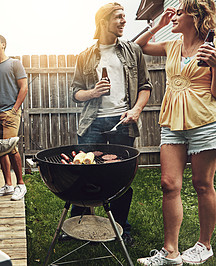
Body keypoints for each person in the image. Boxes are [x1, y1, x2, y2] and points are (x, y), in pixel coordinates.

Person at [135, 0, 216, 264]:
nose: (173, 16)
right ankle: (171, 252)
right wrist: (156, 25)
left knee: (203, 185)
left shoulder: (211, 48)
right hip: (172, 122)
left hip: (204, 121)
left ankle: (204, 245)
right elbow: (138, 47)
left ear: (194, 17)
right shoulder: (171, 46)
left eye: (179, 13)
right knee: (169, 184)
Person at [68, 2, 152, 244]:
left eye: (124, 16)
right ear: (103, 22)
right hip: (92, 122)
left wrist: (135, 110)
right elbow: (75, 93)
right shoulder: (85, 56)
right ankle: (77, 224)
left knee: (120, 176)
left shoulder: (133, 51)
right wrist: (92, 92)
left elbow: (145, 86)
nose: (124, 21)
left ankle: (119, 228)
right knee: (83, 172)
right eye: (118, 17)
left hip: (122, 121)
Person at [0, 34, 28, 201]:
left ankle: (21, 185)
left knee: (10, 148)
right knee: (0, 150)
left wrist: (15, 109)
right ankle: (8, 185)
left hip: (10, 111)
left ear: (3, 44)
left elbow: (23, 87)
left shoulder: (14, 64)